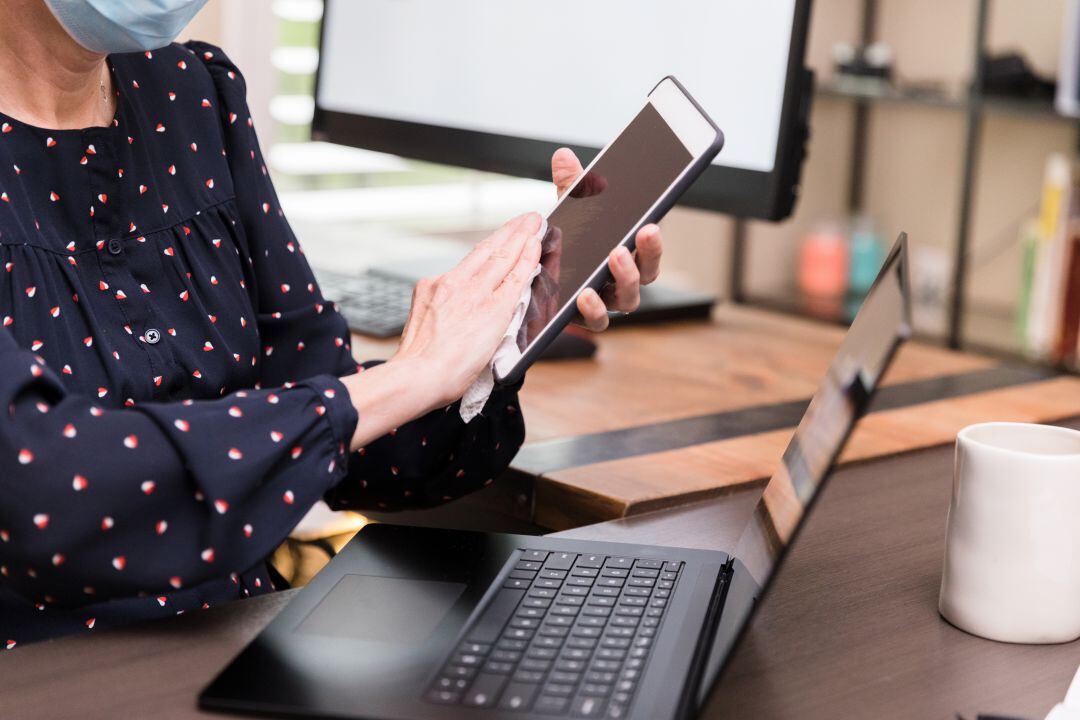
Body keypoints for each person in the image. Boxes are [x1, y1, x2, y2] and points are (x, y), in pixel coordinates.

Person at [0, 0, 665, 647]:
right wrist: (408, 376)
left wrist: (499, 327)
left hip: (236, 647)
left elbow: (347, 443)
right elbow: (44, 491)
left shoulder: (196, 95)